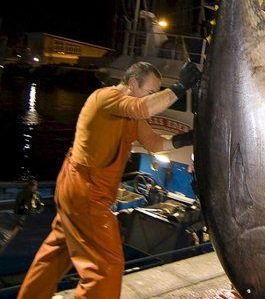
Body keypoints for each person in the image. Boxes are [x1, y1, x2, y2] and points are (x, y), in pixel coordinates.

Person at [17, 61, 201, 299]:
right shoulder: (106, 97)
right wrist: (180, 86)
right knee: (106, 266)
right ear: (133, 83)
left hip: (76, 190)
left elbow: (154, 143)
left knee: (56, 253)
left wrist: (185, 139)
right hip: (86, 192)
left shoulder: (132, 113)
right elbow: (145, 108)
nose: (155, 97)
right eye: (151, 91)